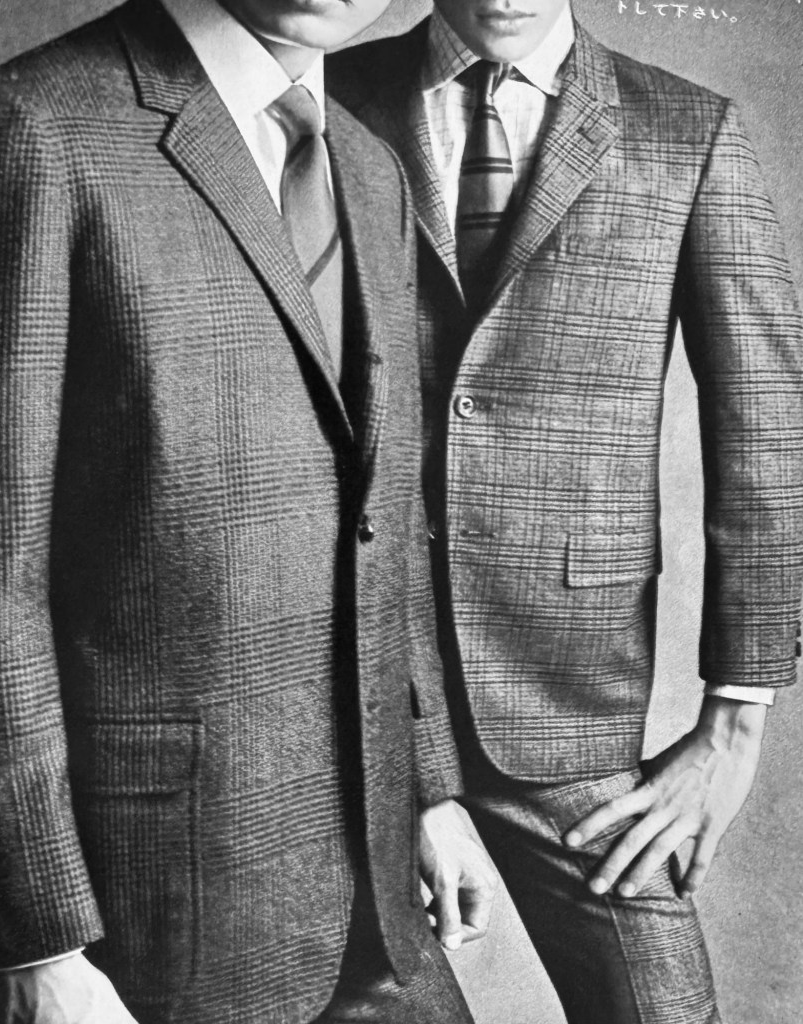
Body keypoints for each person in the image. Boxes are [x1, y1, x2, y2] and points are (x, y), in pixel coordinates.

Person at [0, 1, 500, 1022]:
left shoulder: (371, 168)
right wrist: (32, 943)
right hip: (145, 918)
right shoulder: (21, 128)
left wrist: (426, 787)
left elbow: (379, 520)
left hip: (379, 897)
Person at [329, 1, 803, 1021]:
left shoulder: (688, 129)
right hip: (343, 675)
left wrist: (736, 718)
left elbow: (766, 427)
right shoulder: (325, 99)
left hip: (562, 697)